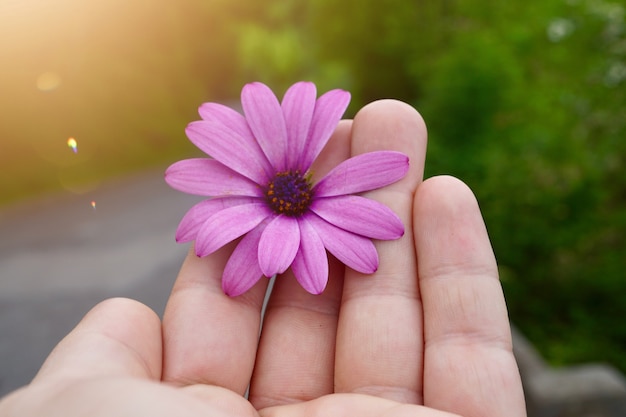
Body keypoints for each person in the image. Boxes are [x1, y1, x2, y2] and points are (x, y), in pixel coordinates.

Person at [0, 100, 527, 417]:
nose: (290, 190)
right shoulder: (255, 206)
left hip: (313, 220)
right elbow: (211, 226)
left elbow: (361, 246)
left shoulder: (311, 203)